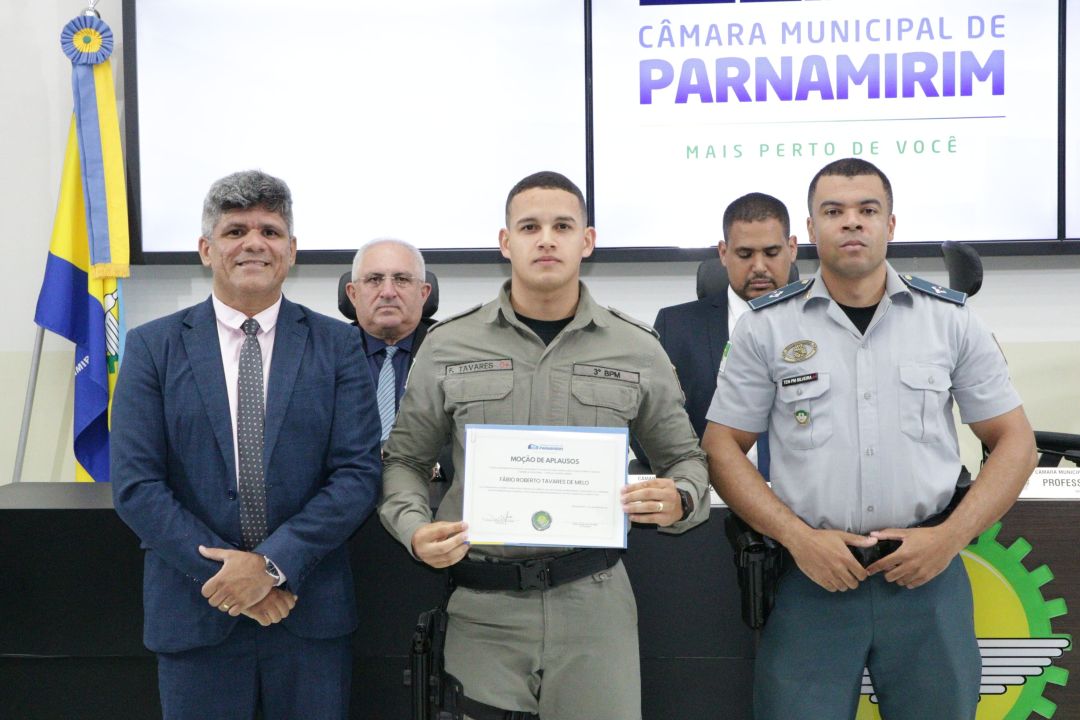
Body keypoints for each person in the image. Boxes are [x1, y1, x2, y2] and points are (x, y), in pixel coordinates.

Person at [702, 158, 1037, 720]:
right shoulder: (766, 327)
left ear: (891, 224)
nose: (851, 223)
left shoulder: (949, 320)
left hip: (926, 577)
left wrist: (949, 538)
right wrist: (798, 538)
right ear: (810, 230)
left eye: (867, 210)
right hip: (812, 578)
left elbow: (1016, 443)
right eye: (833, 211)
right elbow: (720, 447)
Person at [379, 170, 710, 720]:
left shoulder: (636, 347)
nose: (547, 239)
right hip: (483, 607)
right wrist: (413, 529)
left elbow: (685, 460)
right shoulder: (448, 344)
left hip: (593, 604)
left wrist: (680, 498)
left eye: (563, 225)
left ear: (588, 240)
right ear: (506, 242)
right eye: (530, 226)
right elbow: (407, 461)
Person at [111, 170, 382, 720]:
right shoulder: (152, 347)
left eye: (271, 230)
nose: (255, 243)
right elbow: (138, 485)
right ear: (207, 248)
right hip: (196, 610)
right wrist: (232, 579)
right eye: (236, 230)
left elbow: (356, 475)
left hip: (307, 614)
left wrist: (271, 567)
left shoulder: (339, 344)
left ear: (291, 250)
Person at [645, 192, 797, 476]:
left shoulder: (823, 323)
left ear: (792, 249)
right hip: (710, 498)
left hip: (806, 500)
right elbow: (647, 437)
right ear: (723, 253)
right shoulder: (676, 327)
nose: (760, 266)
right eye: (745, 254)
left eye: (772, 253)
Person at [344, 238, 433, 443]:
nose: (388, 292)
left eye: (401, 279)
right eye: (374, 279)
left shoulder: (451, 350)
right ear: (353, 293)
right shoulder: (326, 354)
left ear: (423, 293)